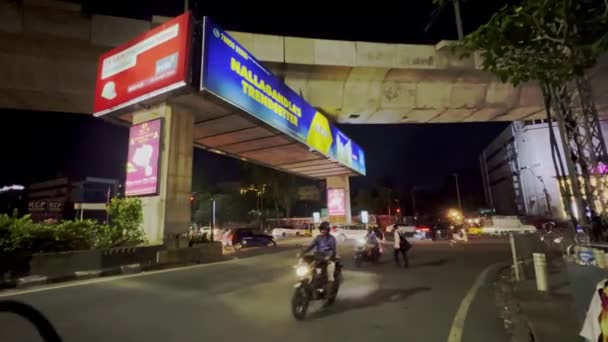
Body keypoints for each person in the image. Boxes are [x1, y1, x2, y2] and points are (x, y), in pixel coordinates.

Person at [300, 221, 337, 287]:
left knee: (331, 266)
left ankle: (330, 283)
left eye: (325, 229)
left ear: (328, 230)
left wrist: (329, 257)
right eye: (322, 229)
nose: (323, 231)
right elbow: (311, 246)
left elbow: (333, 250)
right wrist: (303, 252)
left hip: (327, 257)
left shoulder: (332, 239)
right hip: (318, 256)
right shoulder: (318, 238)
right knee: (306, 264)